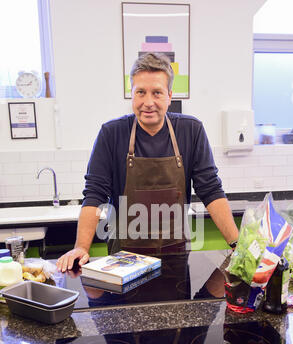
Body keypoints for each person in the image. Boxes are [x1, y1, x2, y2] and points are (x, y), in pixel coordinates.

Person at [57, 52, 239, 272]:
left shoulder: (191, 131)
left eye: (157, 93)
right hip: (123, 259)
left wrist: (237, 245)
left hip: (176, 256)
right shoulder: (111, 134)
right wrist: (81, 247)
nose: (148, 102)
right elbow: (95, 194)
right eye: (141, 92)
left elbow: (210, 189)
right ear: (131, 94)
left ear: (170, 96)